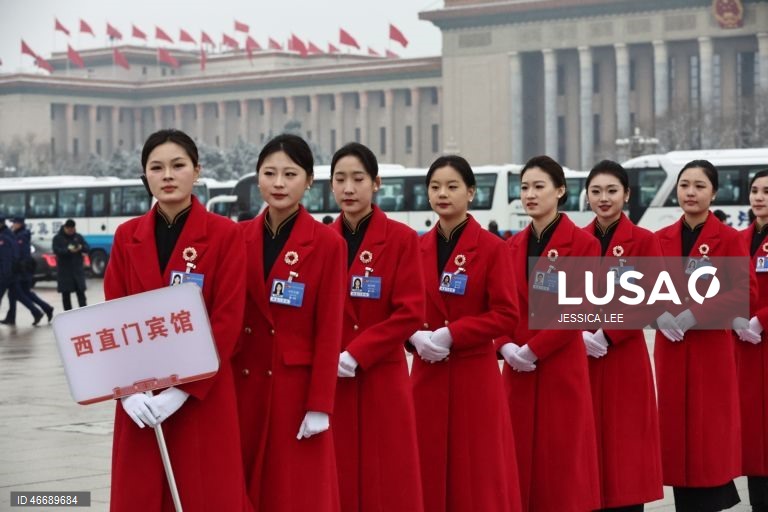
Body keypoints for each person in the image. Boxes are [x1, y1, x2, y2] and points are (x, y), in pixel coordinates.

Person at [103, 129, 252, 511]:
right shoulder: (126, 236)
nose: (167, 175)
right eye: (156, 167)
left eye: (178, 165)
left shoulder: (225, 236)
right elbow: (111, 317)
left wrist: (182, 389)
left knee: (204, 493)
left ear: (197, 171)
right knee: (141, 494)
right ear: (146, 176)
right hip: (141, 397)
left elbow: (228, 321)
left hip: (203, 396)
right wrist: (128, 392)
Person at [232, 134, 345, 511]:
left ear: (309, 180)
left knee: (294, 492)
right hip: (243, 383)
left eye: (290, 174)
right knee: (242, 487)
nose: (279, 183)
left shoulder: (327, 243)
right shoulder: (236, 237)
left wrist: (321, 403)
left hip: (293, 389)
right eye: (269, 173)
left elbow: (330, 329)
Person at [411, 155, 522, 512]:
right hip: (426, 375)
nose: (442, 194)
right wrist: (413, 336)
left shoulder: (491, 248)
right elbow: (402, 308)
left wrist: (453, 334)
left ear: (471, 192)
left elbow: (506, 313)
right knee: (426, 469)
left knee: (475, 476)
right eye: (435, 187)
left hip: (473, 377)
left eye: (452, 186)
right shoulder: (415, 248)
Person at [495, 155, 600, 512]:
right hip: (516, 368)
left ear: (560, 191)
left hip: (559, 367)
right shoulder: (509, 246)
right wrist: (505, 345)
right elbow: (500, 306)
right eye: (524, 187)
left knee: (561, 464)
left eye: (539, 187)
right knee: (518, 459)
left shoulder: (584, 245)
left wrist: (535, 350)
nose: (530, 195)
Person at [328, 142, 425, 512]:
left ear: (376, 183)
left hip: (381, 374)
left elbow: (410, 311)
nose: (348, 188)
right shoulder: (320, 240)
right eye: (340, 179)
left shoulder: (400, 239)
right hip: (333, 378)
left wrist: (358, 351)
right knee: (339, 475)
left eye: (358, 179)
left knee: (387, 477)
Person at [653, 159, 749, 512]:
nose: (690, 192)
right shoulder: (659, 239)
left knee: (708, 440)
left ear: (714, 193)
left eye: (699, 186)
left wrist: (697, 313)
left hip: (710, 351)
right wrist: (657, 313)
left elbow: (744, 292)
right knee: (678, 442)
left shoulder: (727, 238)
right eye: (684, 185)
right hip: (672, 351)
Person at [581, 160, 664, 511]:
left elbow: (655, 297)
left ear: (627, 195)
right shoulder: (575, 241)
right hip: (582, 357)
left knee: (624, 445)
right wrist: (580, 331)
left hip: (624, 355)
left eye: (612, 191)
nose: (604, 198)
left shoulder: (643, 241)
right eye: (596, 191)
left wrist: (611, 332)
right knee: (587, 443)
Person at [733, 168, 768, 512]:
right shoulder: (739, 239)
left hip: (765, 340)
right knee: (754, 439)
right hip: (743, 348)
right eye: (755, 190)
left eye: (766, 192)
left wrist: (761, 319)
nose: (758, 197)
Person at [1, 217, 48, 325]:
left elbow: (12, 256)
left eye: (15, 223)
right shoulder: (13, 234)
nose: (13, 225)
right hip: (14, 271)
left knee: (22, 294)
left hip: (13, 271)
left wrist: (7, 273)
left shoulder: (14, 236)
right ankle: (16, 316)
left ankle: (42, 310)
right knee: (16, 295)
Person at [52, 219, 89, 311]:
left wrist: (80, 248)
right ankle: (68, 315)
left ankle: (85, 313)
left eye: (72, 229)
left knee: (81, 294)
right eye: (68, 229)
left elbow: (87, 248)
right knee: (66, 296)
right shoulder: (58, 238)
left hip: (77, 270)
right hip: (64, 271)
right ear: (65, 228)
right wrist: (68, 251)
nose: (70, 231)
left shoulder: (78, 237)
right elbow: (56, 250)